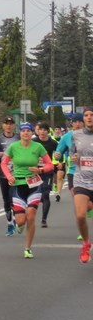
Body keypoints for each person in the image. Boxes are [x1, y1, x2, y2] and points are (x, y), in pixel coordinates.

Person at [0, 122, 54, 258]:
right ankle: (19, 225)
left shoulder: (38, 147)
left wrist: (40, 170)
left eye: (28, 131)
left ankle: (28, 248)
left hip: (34, 184)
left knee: (31, 215)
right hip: (18, 184)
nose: (26, 133)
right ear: (20, 133)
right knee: (21, 220)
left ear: (32, 133)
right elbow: (4, 163)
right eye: (23, 131)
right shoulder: (13, 147)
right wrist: (9, 176)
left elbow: (50, 164)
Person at [67, 108, 93, 264]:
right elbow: (71, 153)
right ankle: (86, 243)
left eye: (92, 115)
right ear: (83, 119)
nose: (89, 117)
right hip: (81, 179)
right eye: (87, 115)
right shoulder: (76, 135)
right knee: (81, 215)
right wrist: (74, 157)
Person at [0, 117, 20, 236]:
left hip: (17, 173)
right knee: (6, 200)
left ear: (14, 126)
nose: (8, 126)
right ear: (3, 126)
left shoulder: (19, 138)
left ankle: (17, 219)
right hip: (3, 174)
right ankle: (10, 223)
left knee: (15, 199)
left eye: (11, 124)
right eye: (6, 124)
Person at [33, 122, 58, 227]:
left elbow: (59, 154)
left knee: (46, 194)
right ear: (37, 131)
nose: (42, 132)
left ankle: (44, 219)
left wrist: (59, 161)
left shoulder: (53, 143)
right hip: (34, 172)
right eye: (40, 129)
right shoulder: (33, 142)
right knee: (36, 195)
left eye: (44, 130)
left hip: (47, 172)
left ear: (48, 131)